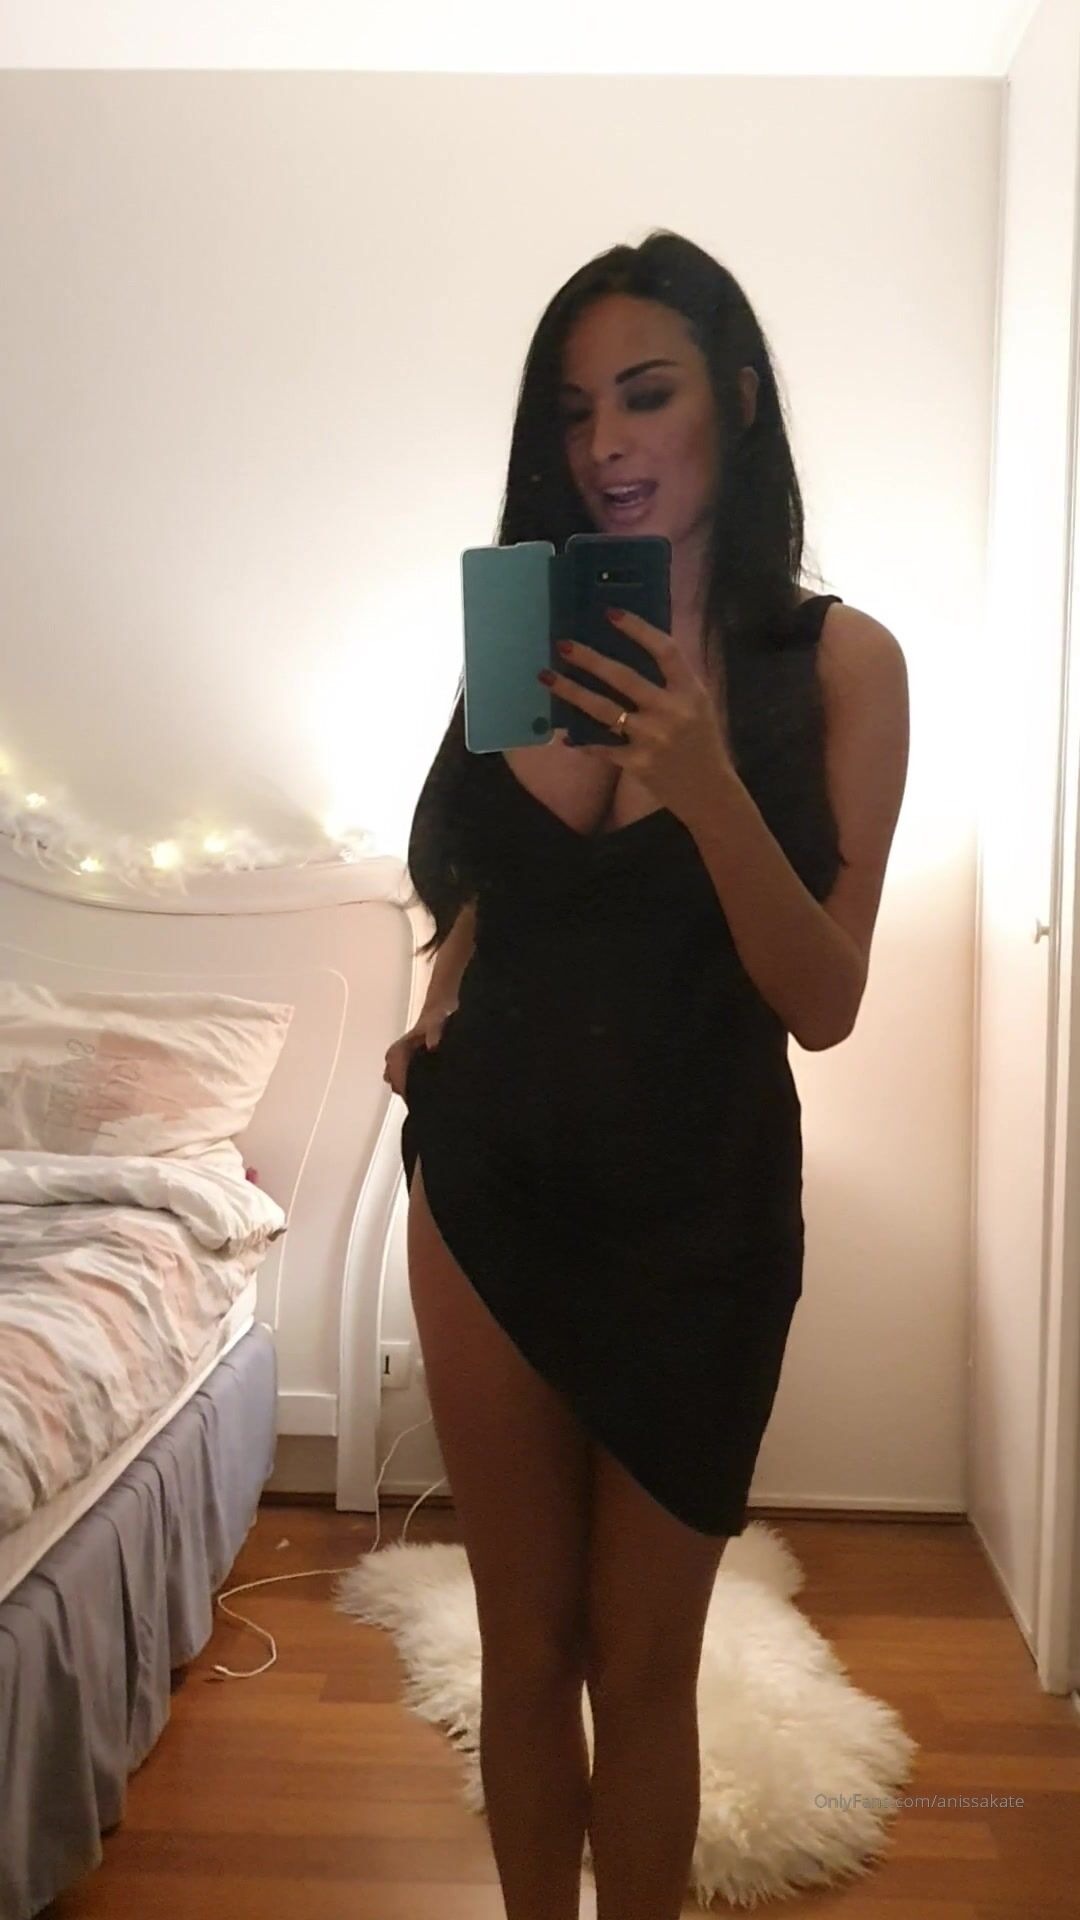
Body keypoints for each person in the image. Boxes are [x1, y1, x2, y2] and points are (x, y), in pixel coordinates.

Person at [383, 229, 909, 1920]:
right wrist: (443, 996)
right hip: (490, 1182)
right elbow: (486, 878)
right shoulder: (528, 629)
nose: (605, 440)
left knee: (646, 1668)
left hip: (703, 1212)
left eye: (646, 394)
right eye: (575, 408)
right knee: (524, 1649)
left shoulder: (839, 666)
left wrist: (707, 783)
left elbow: (824, 1000)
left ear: (735, 403)